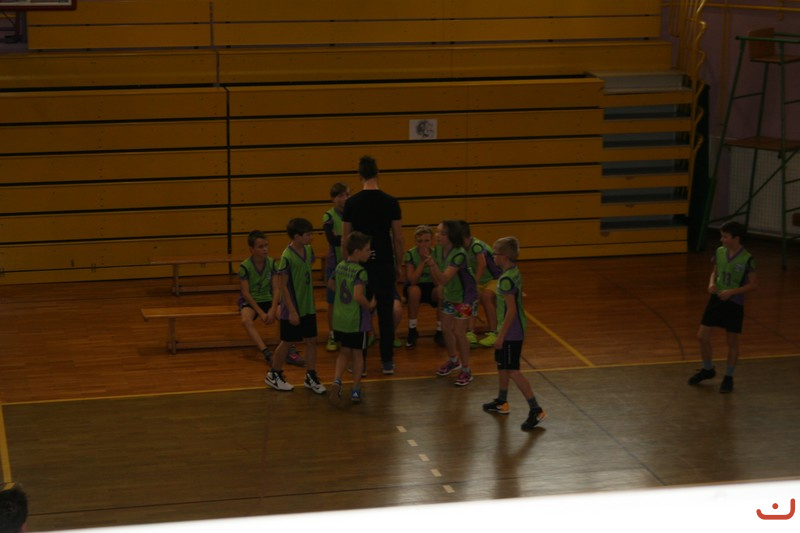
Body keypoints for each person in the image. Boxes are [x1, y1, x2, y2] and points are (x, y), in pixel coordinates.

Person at [341, 155, 404, 375]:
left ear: (359, 176)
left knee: (361, 313)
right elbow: (398, 238)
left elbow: (346, 239)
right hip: (384, 262)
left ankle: (362, 364)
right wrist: (399, 263)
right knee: (386, 313)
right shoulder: (391, 202)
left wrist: (347, 265)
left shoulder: (351, 203)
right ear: (379, 173)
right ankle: (387, 361)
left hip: (360, 265)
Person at [481, 237, 546, 430]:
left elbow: (511, 311)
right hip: (509, 328)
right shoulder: (513, 272)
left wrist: (501, 336)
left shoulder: (506, 280)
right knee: (502, 365)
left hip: (511, 331)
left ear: (504, 256)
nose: (493, 256)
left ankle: (536, 409)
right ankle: (502, 401)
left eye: (495, 253)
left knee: (512, 370)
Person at [689, 221, 758, 393]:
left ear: (736, 238)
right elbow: (715, 272)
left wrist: (732, 292)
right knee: (702, 336)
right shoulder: (719, 252)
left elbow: (753, 285)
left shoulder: (747, 259)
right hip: (717, 299)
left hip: (734, 303)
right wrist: (711, 283)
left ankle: (728, 377)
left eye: (725, 237)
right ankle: (708, 369)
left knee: (732, 341)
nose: (722, 240)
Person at [264, 218, 326, 394]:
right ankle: (274, 374)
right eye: (307, 235)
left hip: (308, 305)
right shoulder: (287, 256)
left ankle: (311, 376)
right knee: (287, 341)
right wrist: (292, 311)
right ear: (297, 236)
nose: (311, 237)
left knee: (312, 340)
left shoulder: (308, 250)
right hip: (293, 307)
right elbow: (283, 286)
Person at [237, 230, 304, 366]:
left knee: (285, 315)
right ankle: (267, 353)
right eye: (261, 247)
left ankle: (289, 350)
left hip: (268, 298)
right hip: (252, 301)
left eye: (266, 245)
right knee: (245, 320)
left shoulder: (272, 263)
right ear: (252, 249)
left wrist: (273, 309)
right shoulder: (245, 266)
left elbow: (276, 289)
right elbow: (246, 293)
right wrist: (261, 312)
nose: (265, 249)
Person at [425, 220, 478, 386]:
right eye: (437, 232)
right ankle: (454, 360)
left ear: (452, 236)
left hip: (465, 297)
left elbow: (444, 278)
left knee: (459, 332)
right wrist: (439, 285)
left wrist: (432, 265)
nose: (437, 236)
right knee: (446, 328)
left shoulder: (459, 254)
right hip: (450, 294)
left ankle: (467, 370)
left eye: (442, 233)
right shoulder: (438, 250)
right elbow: (438, 279)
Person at [329, 231, 375, 403]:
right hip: (356, 320)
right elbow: (357, 296)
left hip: (339, 318)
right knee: (357, 354)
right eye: (367, 250)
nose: (369, 252)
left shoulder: (340, 266)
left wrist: (341, 295)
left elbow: (330, 283)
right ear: (357, 251)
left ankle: (336, 381)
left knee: (343, 352)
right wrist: (370, 305)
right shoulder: (360, 272)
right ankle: (355, 388)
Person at [460, 220, 502, 348]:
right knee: (470, 298)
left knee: (486, 297)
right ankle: (470, 332)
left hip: (495, 278)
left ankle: (494, 332)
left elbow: (482, 264)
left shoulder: (476, 246)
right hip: (480, 280)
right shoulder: (462, 248)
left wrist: (474, 284)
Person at [402, 224, 441, 348]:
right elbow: (412, 280)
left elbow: (438, 282)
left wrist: (431, 263)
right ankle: (412, 330)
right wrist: (422, 262)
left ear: (432, 241)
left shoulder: (437, 253)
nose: (423, 244)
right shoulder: (410, 254)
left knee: (441, 291)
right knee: (414, 291)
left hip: (431, 285)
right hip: (415, 286)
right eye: (420, 241)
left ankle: (440, 331)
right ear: (415, 241)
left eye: (426, 241)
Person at [323, 182, 349, 353]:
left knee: (351, 300)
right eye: (340, 195)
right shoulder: (329, 216)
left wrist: (342, 237)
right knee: (332, 301)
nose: (344, 198)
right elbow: (331, 240)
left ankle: (348, 332)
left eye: (346, 195)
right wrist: (347, 238)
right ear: (333, 198)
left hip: (351, 263)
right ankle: (332, 335)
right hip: (334, 264)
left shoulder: (353, 214)